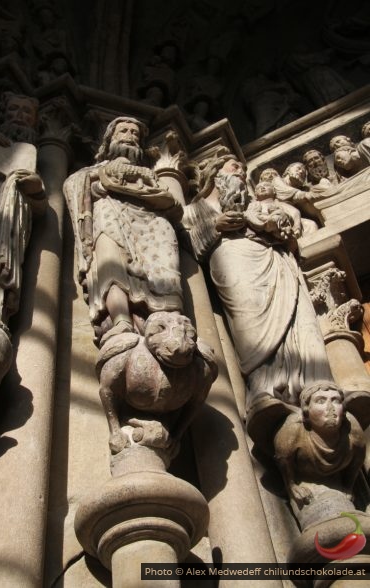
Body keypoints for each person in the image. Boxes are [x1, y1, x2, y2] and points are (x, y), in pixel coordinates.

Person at [181, 153, 332, 409]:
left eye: (242, 168)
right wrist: (216, 226)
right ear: (216, 174)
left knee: (299, 321)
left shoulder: (257, 204)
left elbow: (291, 237)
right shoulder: (194, 210)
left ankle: (318, 387)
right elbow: (185, 248)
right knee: (249, 323)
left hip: (276, 263)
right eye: (233, 166)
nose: (240, 171)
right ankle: (265, 389)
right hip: (235, 266)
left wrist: (275, 228)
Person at [63, 117, 184, 345]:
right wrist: (102, 178)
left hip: (153, 225)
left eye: (135, 133)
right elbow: (72, 184)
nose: (130, 135)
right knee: (111, 263)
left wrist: (148, 192)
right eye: (124, 131)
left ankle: (171, 325)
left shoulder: (151, 174)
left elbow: (175, 206)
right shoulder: (95, 170)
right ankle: (121, 320)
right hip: (111, 217)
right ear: (110, 139)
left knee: (166, 272)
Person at [0, 92, 46, 323]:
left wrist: (35, 189)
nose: (19, 116)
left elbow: (41, 208)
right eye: (14, 109)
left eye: (27, 112)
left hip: (8, 226)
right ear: (3, 113)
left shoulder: (36, 157)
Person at [274, 382, 365, 510]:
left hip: (337, 481)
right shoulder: (293, 430)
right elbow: (283, 459)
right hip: (304, 481)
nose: (330, 408)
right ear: (306, 410)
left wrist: (349, 486)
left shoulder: (351, 428)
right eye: (320, 401)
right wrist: (292, 486)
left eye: (336, 401)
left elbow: (358, 459)